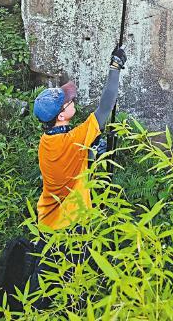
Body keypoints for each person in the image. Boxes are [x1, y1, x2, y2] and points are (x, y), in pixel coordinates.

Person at [33, 45, 127, 231]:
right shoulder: (74, 140)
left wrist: (91, 151)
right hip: (71, 224)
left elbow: (69, 166)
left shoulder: (45, 141)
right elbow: (105, 107)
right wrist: (115, 66)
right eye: (68, 102)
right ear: (61, 115)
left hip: (46, 221)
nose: (72, 100)